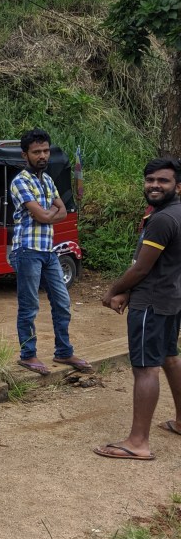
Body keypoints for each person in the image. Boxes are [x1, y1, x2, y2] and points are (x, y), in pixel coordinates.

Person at [95, 158, 181, 460]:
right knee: (169, 357)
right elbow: (157, 264)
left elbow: (142, 268)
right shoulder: (174, 213)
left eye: (163, 180)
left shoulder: (162, 219)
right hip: (171, 298)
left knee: (145, 368)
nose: (154, 185)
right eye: (150, 180)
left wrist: (113, 291)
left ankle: (138, 442)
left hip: (151, 304)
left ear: (178, 186)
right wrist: (129, 290)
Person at [10, 128, 91, 376]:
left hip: (48, 250)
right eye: (36, 152)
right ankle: (28, 355)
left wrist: (48, 214)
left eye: (45, 151)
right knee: (29, 305)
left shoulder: (47, 180)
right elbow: (45, 215)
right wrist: (49, 214)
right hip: (27, 250)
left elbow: (62, 211)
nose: (43, 156)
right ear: (25, 155)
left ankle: (64, 351)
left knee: (62, 302)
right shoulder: (20, 181)